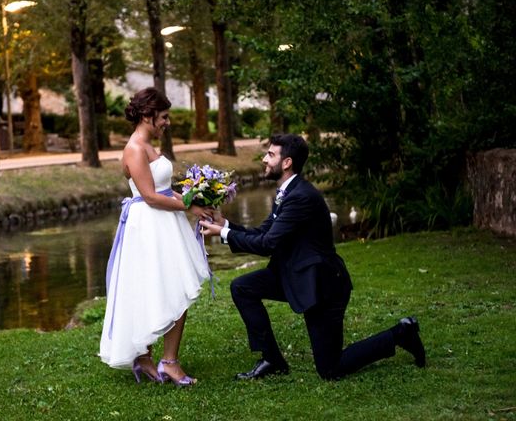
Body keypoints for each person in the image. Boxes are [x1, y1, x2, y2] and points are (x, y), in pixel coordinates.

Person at [199, 133, 426, 380]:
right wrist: (227, 225)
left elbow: (268, 244)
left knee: (330, 369)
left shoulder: (300, 197)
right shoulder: (287, 192)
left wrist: (223, 233)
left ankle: (401, 333)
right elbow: (265, 232)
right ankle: (272, 360)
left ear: (286, 163)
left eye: (270, 154)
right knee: (243, 287)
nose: (264, 159)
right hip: (294, 274)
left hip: (322, 285)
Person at [99, 87, 212, 386]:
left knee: (170, 287)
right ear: (148, 116)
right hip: (149, 226)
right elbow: (149, 196)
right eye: (163, 117)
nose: (167, 122)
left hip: (165, 221)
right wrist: (187, 206)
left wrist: (192, 201)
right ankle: (166, 362)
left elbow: (162, 190)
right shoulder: (135, 149)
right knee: (164, 287)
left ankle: (148, 359)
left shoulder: (147, 144)